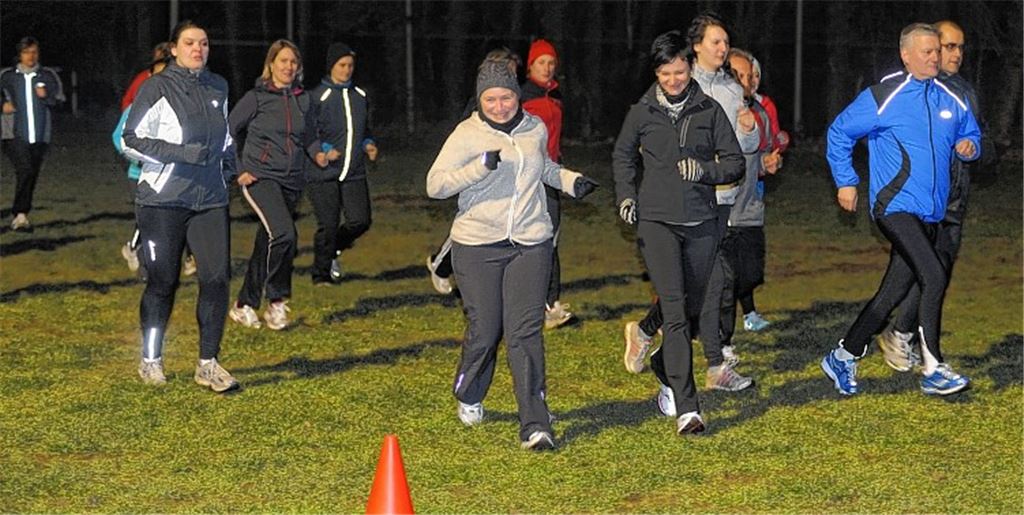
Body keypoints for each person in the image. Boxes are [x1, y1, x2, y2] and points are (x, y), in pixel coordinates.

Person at [426, 59, 598, 451]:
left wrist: (570, 181)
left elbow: (544, 168)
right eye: (492, 98)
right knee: (486, 330)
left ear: (517, 96)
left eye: (506, 97)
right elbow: (434, 185)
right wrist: (477, 169)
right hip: (477, 244)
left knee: (524, 333)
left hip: (530, 241)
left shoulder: (533, 127)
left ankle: (535, 424)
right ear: (480, 98)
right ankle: (470, 391)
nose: (500, 105)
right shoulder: (466, 134)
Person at [822, 23, 980, 397]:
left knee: (890, 293)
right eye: (926, 51)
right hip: (893, 206)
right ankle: (934, 367)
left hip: (930, 213)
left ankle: (843, 355)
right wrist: (846, 180)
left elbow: (970, 132)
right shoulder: (885, 95)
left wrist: (971, 146)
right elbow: (839, 132)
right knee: (934, 274)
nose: (934, 57)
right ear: (906, 56)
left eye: (936, 51)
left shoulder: (949, 98)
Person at [613, 30, 744, 434]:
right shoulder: (641, 112)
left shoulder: (708, 109)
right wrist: (627, 196)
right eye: (666, 73)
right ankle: (689, 409)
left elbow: (735, 161)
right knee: (675, 313)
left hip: (703, 222)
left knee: (691, 306)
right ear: (656, 73)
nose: (674, 80)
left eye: (680, 72)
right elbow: (622, 156)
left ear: (690, 68)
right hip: (657, 223)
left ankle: (662, 366)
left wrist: (706, 171)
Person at [121, 20, 238, 392]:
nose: (198, 49)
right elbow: (130, 139)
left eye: (204, 43)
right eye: (190, 43)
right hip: (163, 201)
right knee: (163, 282)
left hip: (210, 200)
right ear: (174, 48)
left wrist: (230, 165)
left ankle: (208, 364)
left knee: (217, 279)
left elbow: (225, 136)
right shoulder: (157, 86)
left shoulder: (218, 86)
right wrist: (182, 154)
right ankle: (150, 360)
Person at [877, 20, 997, 372]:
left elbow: (984, 144)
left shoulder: (964, 92)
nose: (955, 54)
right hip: (915, 204)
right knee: (920, 273)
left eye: (960, 47)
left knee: (935, 273)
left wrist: (975, 148)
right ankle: (904, 343)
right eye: (948, 47)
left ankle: (901, 335)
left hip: (954, 205)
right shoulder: (904, 89)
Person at [228, 39, 327, 329]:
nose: (288, 67)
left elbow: (308, 134)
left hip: (292, 180)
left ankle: (244, 304)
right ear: (271, 64)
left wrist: (318, 154)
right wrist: (240, 168)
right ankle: (277, 301)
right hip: (260, 177)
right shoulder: (256, 98)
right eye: (283, 61)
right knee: (285, 235)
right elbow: (228, 129)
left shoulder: (303, 99)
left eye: (293, 62)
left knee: (268, 242)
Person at [425, 48, 521, 296]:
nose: (511, 76)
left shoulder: (514, 99)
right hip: (479, 174)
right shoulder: (478, 105)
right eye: (507, 70)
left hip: (505, 175)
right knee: (470, 226)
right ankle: (440, 264)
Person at [710, 48, 781, 378]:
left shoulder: (761, 115)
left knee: (750, 275)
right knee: (725, 283)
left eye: (751, 74)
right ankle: (722, 348)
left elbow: (764, 155)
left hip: (751, 209)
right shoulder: (716, 112)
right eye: (738, 74)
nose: (747, 80)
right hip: (723, 211)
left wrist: (770, 162)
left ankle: (679, 313)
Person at [306, 42, 378, 285]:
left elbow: (364, 128)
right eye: (342, 65)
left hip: (354, 171)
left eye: (350, 66)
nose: (347, 70)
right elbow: (309, 132)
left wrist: (368, 143)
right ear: (331, 67)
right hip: (324, 172)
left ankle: (333, 250)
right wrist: (324, 150)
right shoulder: (318, 96)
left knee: (361, 220)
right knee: (327, 224)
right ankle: (321, 275)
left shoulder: (360, 96)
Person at [520, 39, 574, 329]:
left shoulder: (556, 95)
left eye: (551, 62)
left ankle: (550, 302)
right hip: (528, 177)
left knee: (551, 237)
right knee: (535, 239)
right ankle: (537, 303)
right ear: (530, 66)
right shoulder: (521, 96)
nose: (548, 67)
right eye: (542, 62)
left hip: (551, 174)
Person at [116, 45, 172, 275]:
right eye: (156, 76)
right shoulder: (136, 106)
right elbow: (119, 137)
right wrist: (139, 157)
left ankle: (154, 261)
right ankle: (146, 265)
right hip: (139, 174)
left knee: (165, 222)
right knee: (150, 221)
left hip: (170, 176)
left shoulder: (179, 107)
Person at [1, 37, 64, 231]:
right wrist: (2, 105)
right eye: (27, 52)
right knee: (25, 170)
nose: (31, 56)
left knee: (31, 174)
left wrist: (47, 97)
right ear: (19, 54)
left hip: (40, 135)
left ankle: (22, 214)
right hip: (13, 134)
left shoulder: (47, 75)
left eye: (34, 52)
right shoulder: (7, 76)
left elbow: (60, 101)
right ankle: (20, 214)